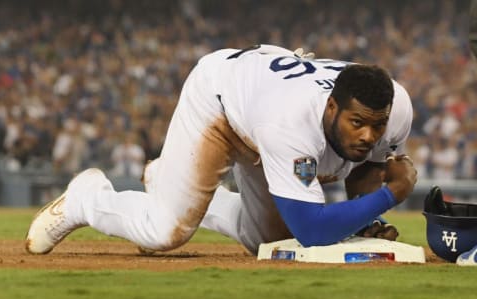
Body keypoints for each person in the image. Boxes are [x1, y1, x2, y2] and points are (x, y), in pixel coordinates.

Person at [25, 44, 417, 256]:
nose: (369, 135)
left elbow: (368, 169)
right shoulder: (290, 125)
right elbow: (312, 231)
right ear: (332, 108)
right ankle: (86, 199)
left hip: (262, 99)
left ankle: (168, 179)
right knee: (164, 232)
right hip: (220, 99)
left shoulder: (394, 106)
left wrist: (363, 221)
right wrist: (389, 195)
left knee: (268, 244)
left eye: (376, 125)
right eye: (357, 123)